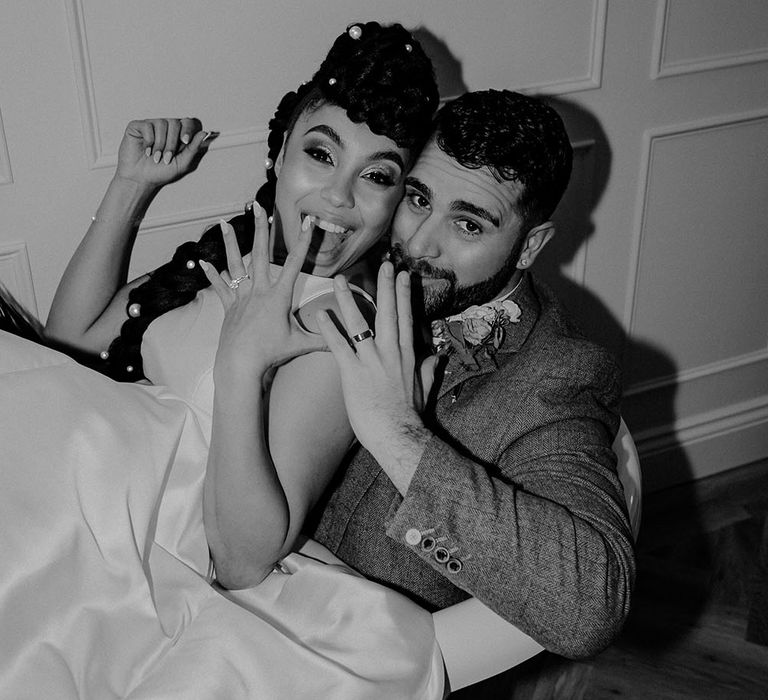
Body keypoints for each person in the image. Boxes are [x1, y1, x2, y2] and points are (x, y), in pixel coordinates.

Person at [41, 21, 438, 589]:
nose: (338, 196)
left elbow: (244, 560)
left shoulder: (342, 326)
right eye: (322, 154)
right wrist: (131, 186)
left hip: (132, 567)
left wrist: (241, 365)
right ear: (278, 155)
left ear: (397, 202)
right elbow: (71, 342)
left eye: (376, 175)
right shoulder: (233, 249)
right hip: (74, 496)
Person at [309, 89, 636, 660]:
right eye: (417, 199)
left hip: (364, 665)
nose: (416, 242)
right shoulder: (358, 253)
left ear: (530, 246)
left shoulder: (558, 377)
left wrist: (395, 432)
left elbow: (591, 607)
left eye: (468, 225)